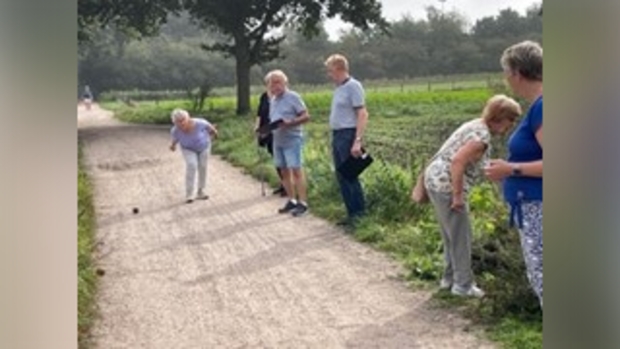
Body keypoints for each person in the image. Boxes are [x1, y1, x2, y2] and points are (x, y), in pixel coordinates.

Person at [421, 94, 522, 298]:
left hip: (435, 179)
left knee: (450, 234)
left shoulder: (475, 125)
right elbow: (458, 161)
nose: (511, 125)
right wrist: (457, 196)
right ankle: (463, 286)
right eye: (510, 120)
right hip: (447, 185)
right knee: (460, 236)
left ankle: (449, 280)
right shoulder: (481, 138)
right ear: (499, 117)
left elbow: (455, 154)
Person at [484, 40, 543, 306]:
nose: (506, 79)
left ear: (517, 73)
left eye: (506, 72)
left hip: (539, 207)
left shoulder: (542, 107)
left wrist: (511, 168)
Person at [324, 54, 368, 229]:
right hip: (338, 134)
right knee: (342, 175)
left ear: (339, 68)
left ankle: (359, 214)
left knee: (350, 175)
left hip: (348, 134)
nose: (329, 74)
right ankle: (351, 213)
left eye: (330, 70)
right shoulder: (339, 88)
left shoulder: (353, 86)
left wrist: (357, 140)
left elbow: (362, 113)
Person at [265, 70, 310, 217]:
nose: (275, 86)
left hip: (292, 138)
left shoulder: (293, 97)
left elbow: (306, 116)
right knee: (283, 171)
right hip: (278, 139)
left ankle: (303, 202)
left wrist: (290, 123)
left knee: (296, 170)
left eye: (278, 82)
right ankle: (292, 199)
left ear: (285, 83)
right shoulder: (273, 100)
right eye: (272, 83)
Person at [169, 108, 218, 203]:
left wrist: (214, 133)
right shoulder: (175, 130)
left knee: (203, 166)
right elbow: (175, 140)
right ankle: (189, 194)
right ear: (174, 123)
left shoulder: (200, 123)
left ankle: (201, 191)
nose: (181, 123)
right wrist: (172, 146)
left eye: (183, 120)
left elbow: (211, 128)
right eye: (178, 122)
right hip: (188, 149)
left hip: (204, 146)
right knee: (192, 165)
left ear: (188, 118)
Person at [254, 86, 286, 197]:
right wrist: (257, 127)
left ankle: (287, 186)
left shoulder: (281, 97)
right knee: (275, 158)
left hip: (277, 130)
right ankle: (283, 184)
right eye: (269, 82)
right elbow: (259, 114)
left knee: (281, 158)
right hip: (266, 131)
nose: (271, 85)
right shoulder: (264, 96)